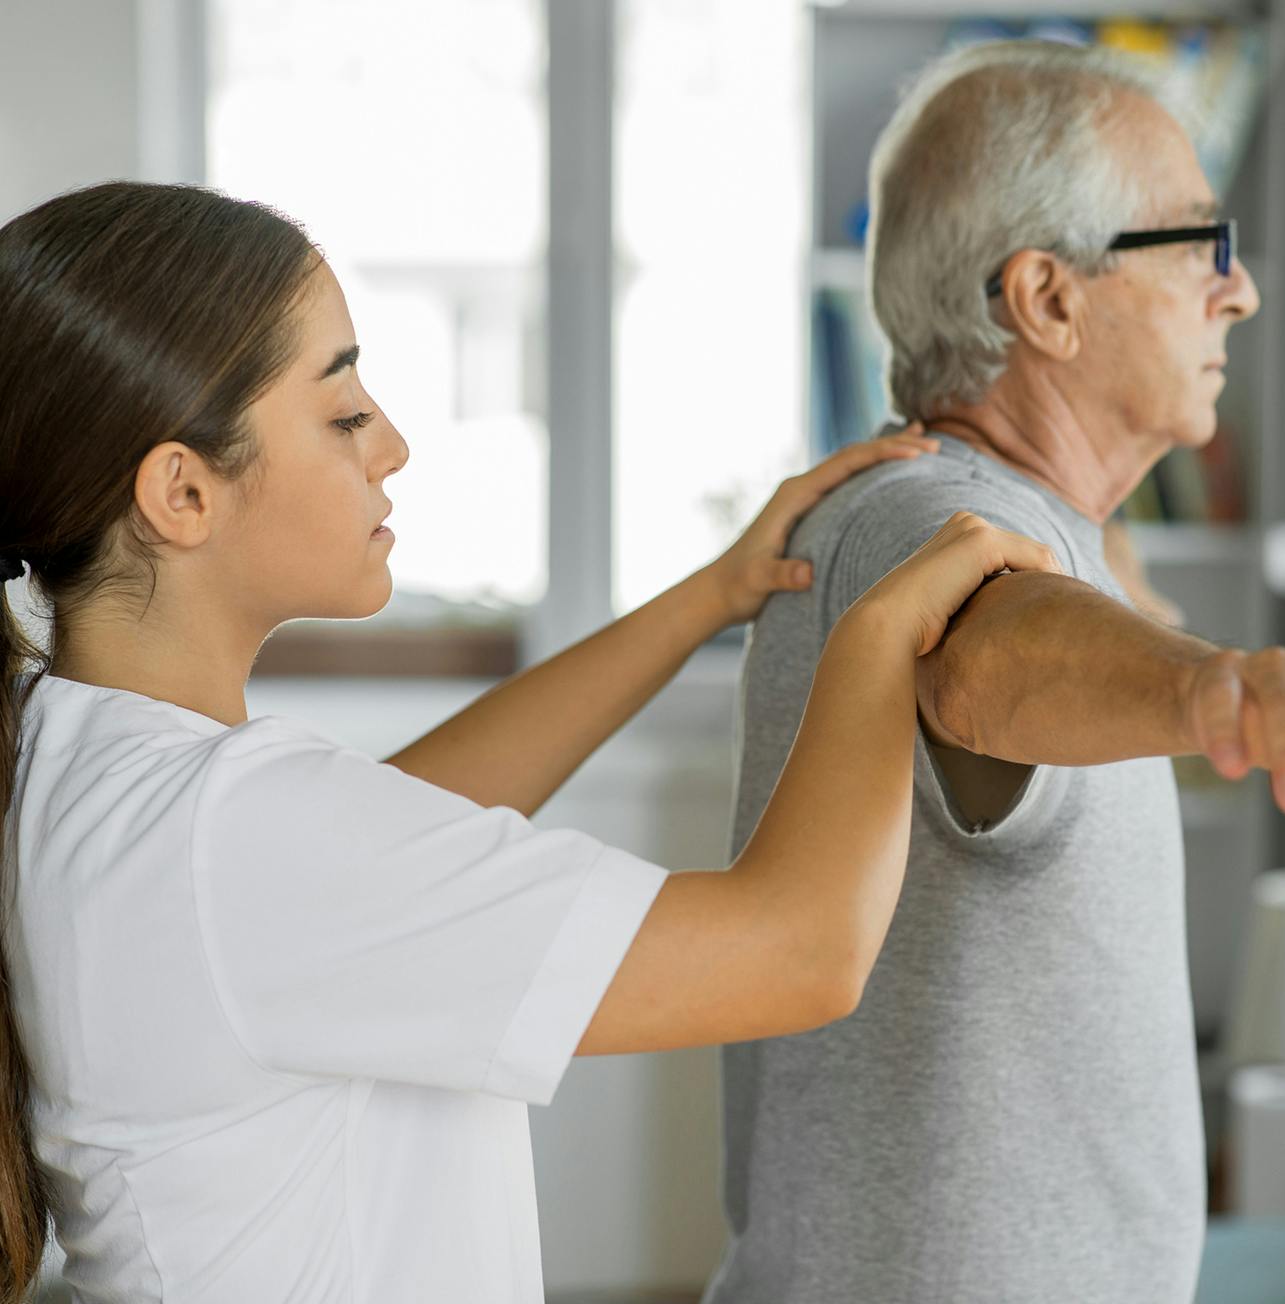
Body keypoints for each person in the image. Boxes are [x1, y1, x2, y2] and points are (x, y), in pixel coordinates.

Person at [0, 181, 1065, 1304]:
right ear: (181, 489)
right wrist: (878, 634)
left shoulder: (83, 764)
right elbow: (800, 950)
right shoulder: (237, 832)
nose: (393, 445)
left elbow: (400, 828)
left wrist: (708, 596)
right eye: (343, 411)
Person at [705, 40, 1285, 1304]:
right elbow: (986, 652)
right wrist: (1225, 688)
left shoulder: (1008, 512)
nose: (1240, 293)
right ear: (1047, 301)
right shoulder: (924, 518)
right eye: (1199, 245)